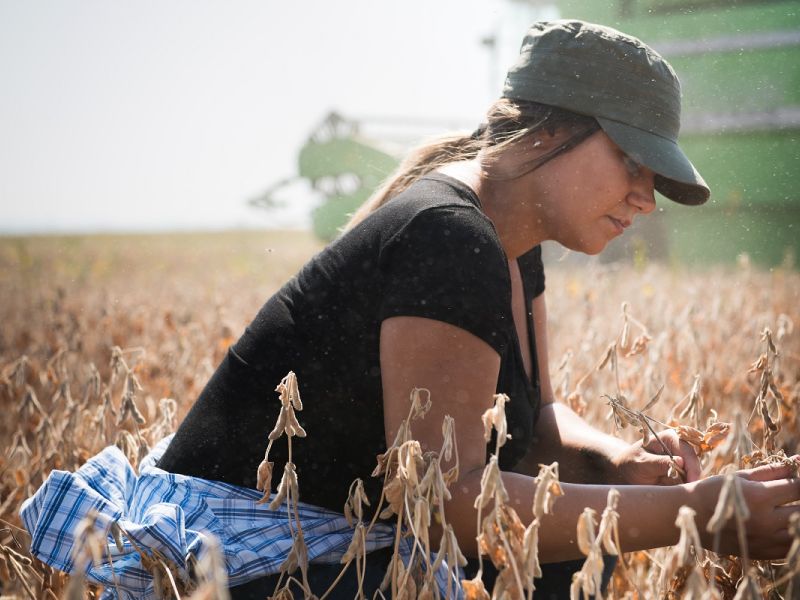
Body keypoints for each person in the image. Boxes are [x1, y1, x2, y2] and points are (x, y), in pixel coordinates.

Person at [21, 19, 800, 600]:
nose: (646, 197)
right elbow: (449, 505)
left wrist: (624, 463)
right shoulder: (448, 236)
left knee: (559, 557)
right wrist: (696, 511)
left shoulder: (509, 241)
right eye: (632, 161)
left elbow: (535, 425)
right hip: (243, 555)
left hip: (337, 539)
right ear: (553, 129)